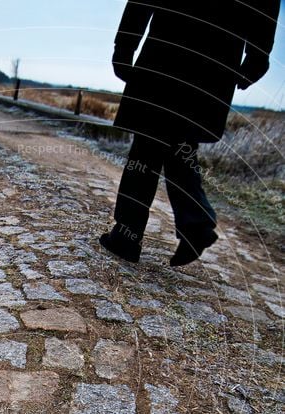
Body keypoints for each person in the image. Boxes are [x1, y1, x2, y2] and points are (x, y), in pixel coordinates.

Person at [100, 0, 280, 266]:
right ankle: (191, 225)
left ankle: (128, 234)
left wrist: (125, 46)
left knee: (150, 141)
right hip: (215, 62)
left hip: (169, 48)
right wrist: (256, 60)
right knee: (177, 141)